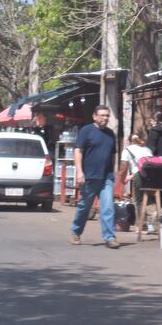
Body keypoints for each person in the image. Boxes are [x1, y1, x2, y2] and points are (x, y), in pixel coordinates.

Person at [70, 105, 119, 248]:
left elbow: (113, 154)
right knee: (84, 207)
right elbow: (78, 151)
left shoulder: (110, 133)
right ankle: (76, 231)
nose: (105, 118)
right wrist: (79, 172)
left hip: (106, 177)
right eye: (102, 115)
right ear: (95, 116)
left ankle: (109, 237)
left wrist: (113, 172)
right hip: (89, 177)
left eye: (107, 116)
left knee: (108, 207)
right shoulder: (86, 131)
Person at [119, 132, 153, 218]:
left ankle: (142, 225)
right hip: (152, 176)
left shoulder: (127, 150)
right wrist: (130, 176)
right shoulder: (148, 150)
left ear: (130, 141)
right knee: (152, 200)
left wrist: (122, 180)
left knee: (139, 200)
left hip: (139, 176)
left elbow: (123, 168)